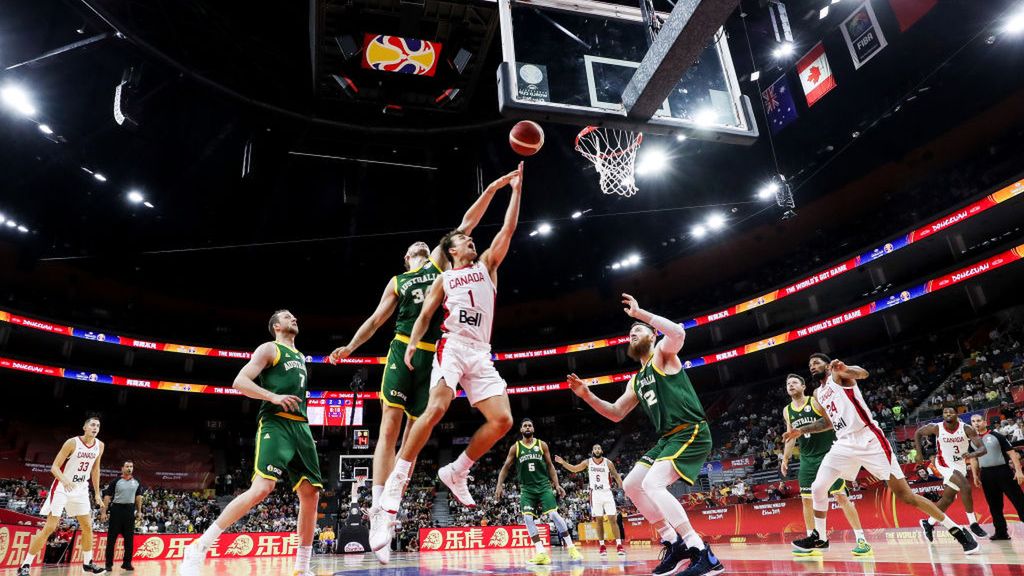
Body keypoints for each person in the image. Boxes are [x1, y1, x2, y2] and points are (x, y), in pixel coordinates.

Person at [327, 168, 516, 564]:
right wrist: (351, 345)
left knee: (421, 427)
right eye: (413, 249)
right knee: (390, 426)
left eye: (424, 247)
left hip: (447, 348)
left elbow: (469, 222)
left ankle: (391, 517)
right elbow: (377, 320)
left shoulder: (442, 265)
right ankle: (381, 504)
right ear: (406, 257)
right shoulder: (401, 279)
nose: (420, 248)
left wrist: (496, 188)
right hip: (409, 348)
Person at [567, 294, 724, 576]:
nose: (632, 333)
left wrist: (641, 315)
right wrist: (587, 395)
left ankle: (700, 550)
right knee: (631, 484)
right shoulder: (636, 379)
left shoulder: (664, 354)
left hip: (692, 430)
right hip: (668, 439)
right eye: (630, 333)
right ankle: (673, 542)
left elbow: (678, 331)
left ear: (653, 336)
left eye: (638, 330)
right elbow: (616, 412)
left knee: (653, 484)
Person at [784, 353, 979, 556]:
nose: (812, 366)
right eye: (810, 365)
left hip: (869, 439)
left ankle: (958, 531)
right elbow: (827, 423)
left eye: (816, 363)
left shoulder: (838, 375)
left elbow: (863, 373)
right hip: (843, 442)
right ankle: (821, 538)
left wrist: (845, 367)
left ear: (826, 364)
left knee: (906, 496)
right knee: (818, 487)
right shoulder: (817, 393)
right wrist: (801, 430)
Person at [179, 310, 322, 576]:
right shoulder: (269, 348)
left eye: (295, 316)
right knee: (262, 488)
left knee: (311, 494)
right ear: (276, 325)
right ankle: (199, 546)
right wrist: (272, 396)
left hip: (300, 426)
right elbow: (240, 381)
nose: (295, 319)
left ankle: (302, 569)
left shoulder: (300, 356)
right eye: (288, 317)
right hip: (275, 423)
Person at [780, 373, 871, 556]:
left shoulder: (814, 401)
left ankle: (862, 539)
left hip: (828, 455)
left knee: (841, 497)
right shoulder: (787, 410)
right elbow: (790, 437)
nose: (791, 385)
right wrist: (785, 458)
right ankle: (812, 540)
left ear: (803, 386)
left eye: (795, 382)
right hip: (806, 459)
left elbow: (831, 422)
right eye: (788, 383)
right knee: (806, 500)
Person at [18, 416, 106, 575]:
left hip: (81, 488)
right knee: (50, 527)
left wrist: (98, 494)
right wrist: (65, 480)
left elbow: (95, 470)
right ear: (84, 427)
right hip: (62, 487)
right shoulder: (72, 442)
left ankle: (87, 563)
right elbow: (54, 467)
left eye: (98, 426)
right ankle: (25, 565)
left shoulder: (99, 446)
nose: (95, 428)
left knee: (87, 526)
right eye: (92, 425)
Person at [495, 418, 582, 565]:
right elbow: (505, 468)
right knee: (528, 519)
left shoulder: (542, 445)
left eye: (530, 425)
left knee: (554, 514)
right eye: (525, 426)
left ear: (533, 429)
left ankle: (571, 547)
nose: (527, 427)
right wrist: (499, 485)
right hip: (527, 489)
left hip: (543, 486)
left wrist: (557, 484)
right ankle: (541, 552)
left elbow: (550, 466)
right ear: (521, 430)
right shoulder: (515, 448)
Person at [913, 407, 988, 541]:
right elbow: (918, 432)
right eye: (945, 412)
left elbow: (983, 449)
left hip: (960, 465)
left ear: (956, 414)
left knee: (948, 499)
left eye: (951, 412)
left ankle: (928, 523)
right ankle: (973, 523)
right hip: (943, 463)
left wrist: (972, 454)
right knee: (965, 486)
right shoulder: (936, 427)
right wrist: (919, 453)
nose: (948, 414)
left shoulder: (966, 429)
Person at [555, 443, 626, 557]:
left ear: (601, 451)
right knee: (599, 521)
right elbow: (574, 469)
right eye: (595, 448)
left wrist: (622, 490)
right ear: (592, 451)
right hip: (595, 494)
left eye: (599, 448)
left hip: (607, 492)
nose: (597, 450)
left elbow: (617, 476)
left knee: (613, 519)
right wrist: (563, 462)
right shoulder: (588, 462)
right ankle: (602, 546)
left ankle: (619, 545)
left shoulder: (608, 463)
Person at [969, 413, 1024, 540]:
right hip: (986, 475)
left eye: (978, 420)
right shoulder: (972, 440)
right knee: (994, 505)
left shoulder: (996, 436)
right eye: (973, 421)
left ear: (984, 422)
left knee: (1019, 500)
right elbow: (973, 459)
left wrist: (1018, 471)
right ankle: (1001, 532)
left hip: (1003, 471)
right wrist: (975, 475)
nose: (976, 423)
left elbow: (1011, 453)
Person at [101, 460, 146, 571]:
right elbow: (107, 496)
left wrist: (139, 511)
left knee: (129, 540)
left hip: (129, 511)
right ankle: (108, 564)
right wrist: (104, 512)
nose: (129, 468)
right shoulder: (116, 481)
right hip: (116, 510)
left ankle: (127, 563)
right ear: (122, 468)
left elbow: (139, 497)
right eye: (127, 466)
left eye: (131, 466)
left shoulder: (137, 482)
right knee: (111, 539)